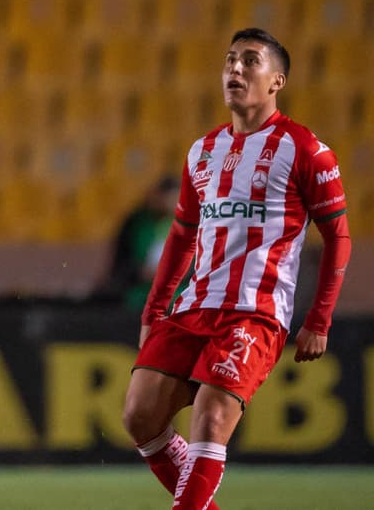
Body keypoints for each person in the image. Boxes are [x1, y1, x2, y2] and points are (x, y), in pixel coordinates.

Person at [121, 28, 351, 510]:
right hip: (193, 306)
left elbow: (338, 237)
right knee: (140, 416)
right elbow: (182, 238)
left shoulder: (304, 148)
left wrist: (318, 319)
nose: (235, 69)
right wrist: (153, 311)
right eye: (229, 60)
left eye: (250, 61)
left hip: (254, 311)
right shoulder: (202, 152)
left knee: (210, 419)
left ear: (276, 81)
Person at [95, 174, 183, 312]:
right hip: (138, 294)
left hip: (176, 295)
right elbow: (121, 263)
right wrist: (140, 272)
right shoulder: (136, 223)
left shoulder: (187, 225)